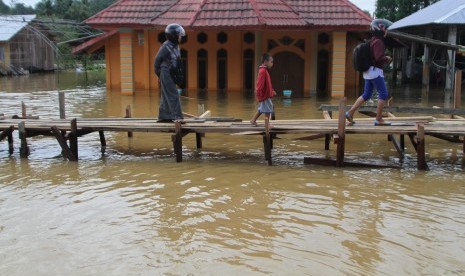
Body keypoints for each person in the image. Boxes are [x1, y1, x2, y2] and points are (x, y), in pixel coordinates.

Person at [346, 19, 393, 126]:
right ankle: (379, 119)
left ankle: (350, 113)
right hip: (375, 71)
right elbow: (378, 58)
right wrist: (387, 58)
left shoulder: (372, 40)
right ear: (381, 29)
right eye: (385, 29)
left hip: (368, 72)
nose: (386, 31)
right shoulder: (379, 42)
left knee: (366, 94)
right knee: (383, 94)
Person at [154, 23, 186, 123]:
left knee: (166, 94)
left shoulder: (175, 46)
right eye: (179, 35)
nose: (181, 37)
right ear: (173, 36)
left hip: (171, 73)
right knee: (173, 94)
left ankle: (164, 116)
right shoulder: (165, 46)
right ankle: (178, 117)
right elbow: (157, 62)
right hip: (165, 72)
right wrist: (160, 75)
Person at [250, 53, 276, 126]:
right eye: (271, 62)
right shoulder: (263, 71)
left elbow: (267, 84)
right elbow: (259, 84)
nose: (272, 64)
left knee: (261, 109)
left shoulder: (264, 70)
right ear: (265, 61)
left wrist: (272, 90)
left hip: (266, 93)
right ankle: (267, 124)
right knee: (268, 108)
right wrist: (258, 94)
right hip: (264, 95)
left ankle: (253, 120)